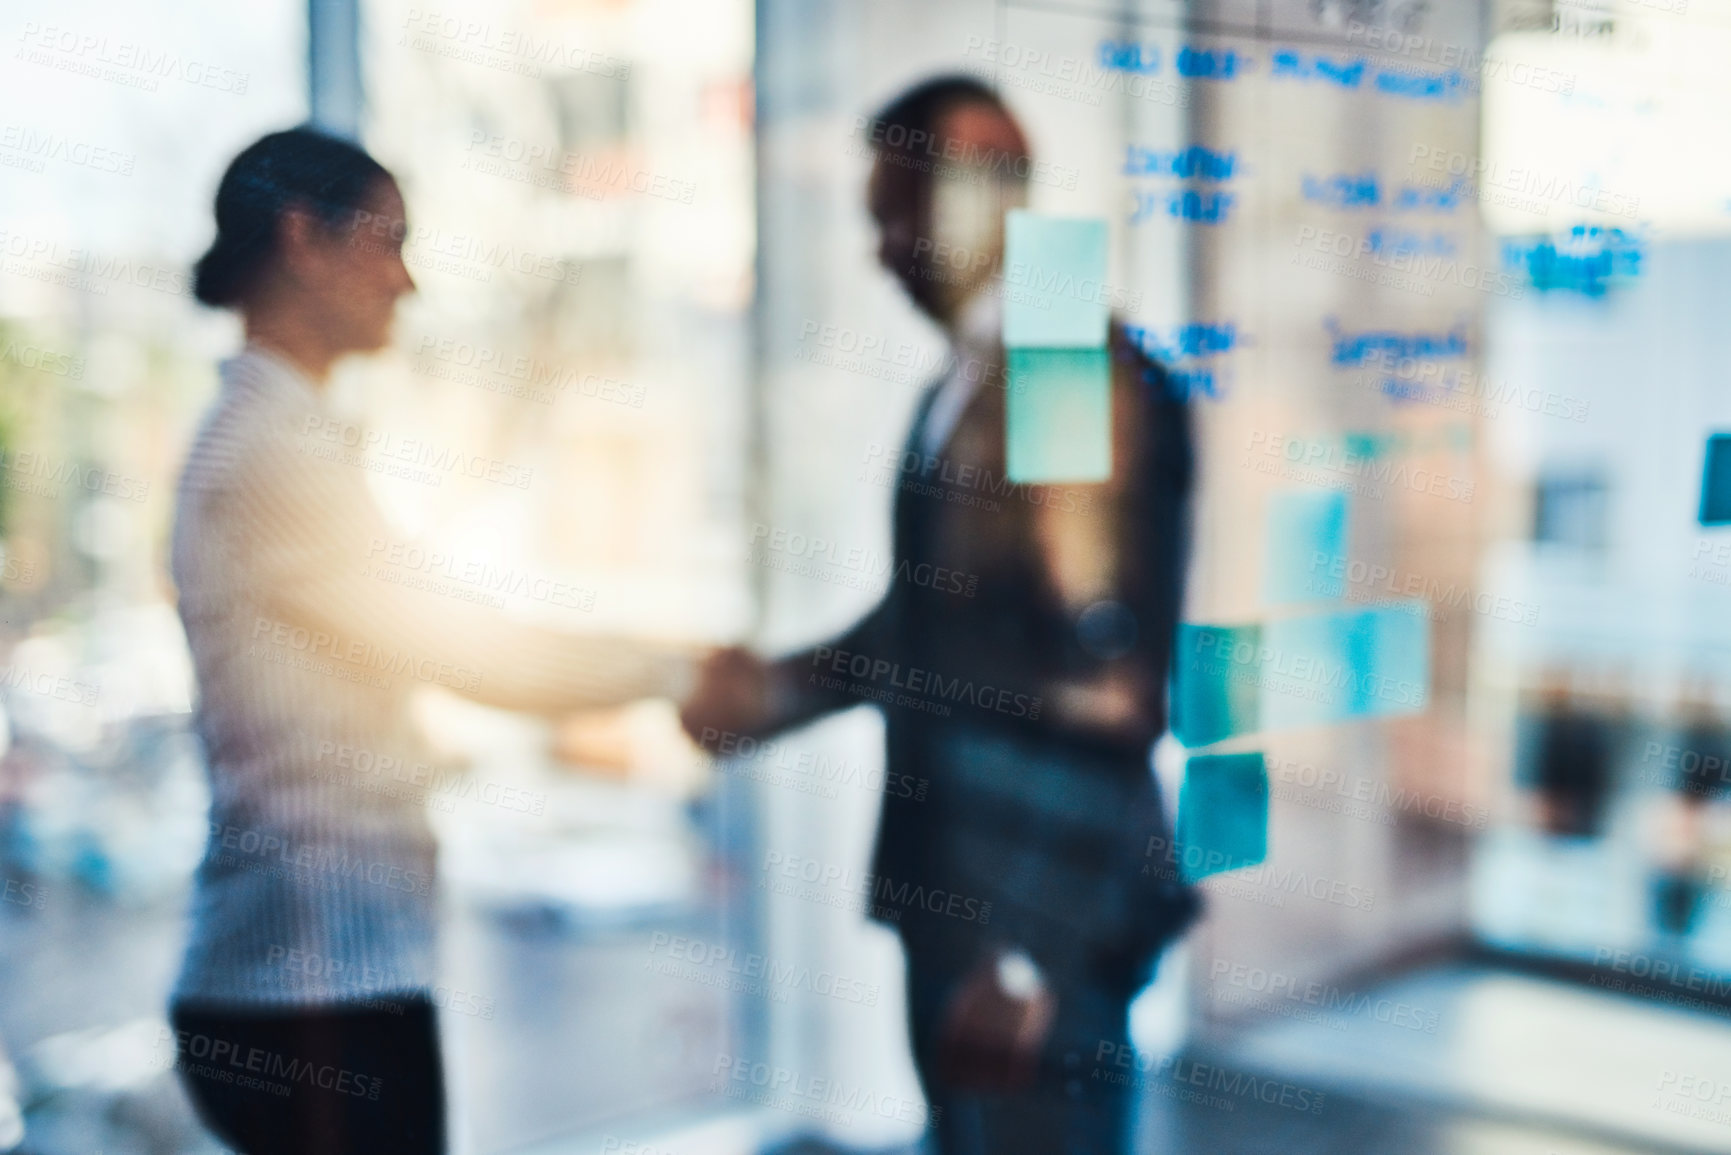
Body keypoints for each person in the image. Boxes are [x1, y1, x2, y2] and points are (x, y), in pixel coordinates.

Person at [681, 78, 1200, 1154]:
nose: (880, 250)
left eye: (895, 213)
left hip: (1031, 927)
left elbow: (1112, 684)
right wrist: (771, 697)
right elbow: (936, 630)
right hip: (965, 899)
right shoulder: (966, 378)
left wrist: (1025, 955)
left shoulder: (1067, 372)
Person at [169, 127, 695, 1155]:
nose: (405, 281)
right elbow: (463, 646)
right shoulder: (270, 449)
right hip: (311, 991)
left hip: (325, 979)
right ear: (302, 240)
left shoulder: (287, 433)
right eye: (386, 241)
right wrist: (677, 669)